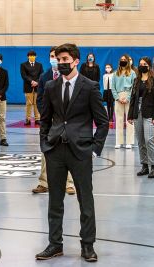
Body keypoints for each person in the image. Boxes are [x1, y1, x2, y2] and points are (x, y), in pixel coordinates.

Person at [36, 43, 108, 262]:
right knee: (54, 201)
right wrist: (44, 145)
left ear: (76, 61)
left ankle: (87, 245)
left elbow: (102, 122)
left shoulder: (90, 86)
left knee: (85, 201)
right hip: (55, 150)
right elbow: (45, 119)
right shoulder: (50, 86)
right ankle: (54, 244)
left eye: (65, 59)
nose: (61, 63)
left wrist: (94, 149)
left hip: (81, 152)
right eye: (59, 59)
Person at [33, 46, 75, 195]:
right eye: (52, 57)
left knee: (68, 150)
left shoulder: (69, 76)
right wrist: (46, 115)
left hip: (65, 121)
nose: (55, 60)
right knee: (45, 151)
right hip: (49, 121)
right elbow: (39, 99)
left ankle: (69, 184)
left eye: (57, 57)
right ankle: (43, 182)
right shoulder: (44, 77)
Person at [127, 56, 154, 178]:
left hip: (150, 113)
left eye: (145, 64)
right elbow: (133, 98)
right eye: (140, 64)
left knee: (149, 140)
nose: (142, 66)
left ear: (149, 66)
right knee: (140, 141)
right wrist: (130, 115)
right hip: (137, 112)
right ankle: (144, 166)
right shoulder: (136, 80)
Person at [111, 54, 136, 149]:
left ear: (128, 61)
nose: (123, 61)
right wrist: (117, 97)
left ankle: (129, 142)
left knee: (129, 120)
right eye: (121, 59)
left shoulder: (132, 73)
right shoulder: (115, 73)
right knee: (119, 120)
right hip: (118, 97)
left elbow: (134, 87)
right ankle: (119, 141)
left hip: (129, 97)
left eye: (124, 59)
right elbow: (113, 87)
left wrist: (128, 98)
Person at [20, 50, 44, 126]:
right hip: (28, 86)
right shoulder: (23, 65)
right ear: (28, 56)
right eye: (30, 55)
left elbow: (42, 74)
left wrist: (37, 82)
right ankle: (28, 119)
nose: (32, 57)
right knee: (29, 104)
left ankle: (37, 119)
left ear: (36, 56)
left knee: (37, 103)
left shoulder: (39, 65)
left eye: (33, 55)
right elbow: (24, 76)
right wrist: (31, 81)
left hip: (37, 87)